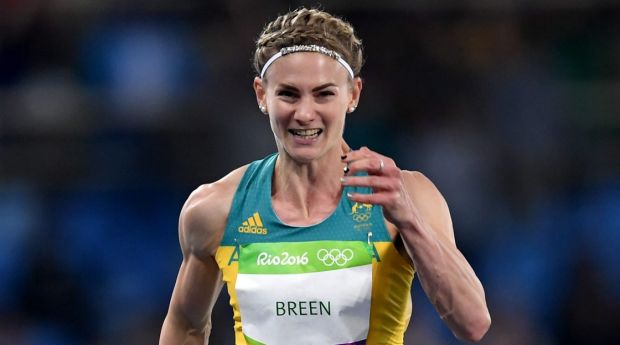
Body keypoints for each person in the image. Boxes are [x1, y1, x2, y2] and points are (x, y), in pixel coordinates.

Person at [160, 7, 490, 345]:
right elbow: (186, 326)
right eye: (288, 94)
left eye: (324, 94)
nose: (304, 113)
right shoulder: (217, 208)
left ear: (353, 95)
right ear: (262, 95)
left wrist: (410, 221)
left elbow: (473, 323)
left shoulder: (406, 195)